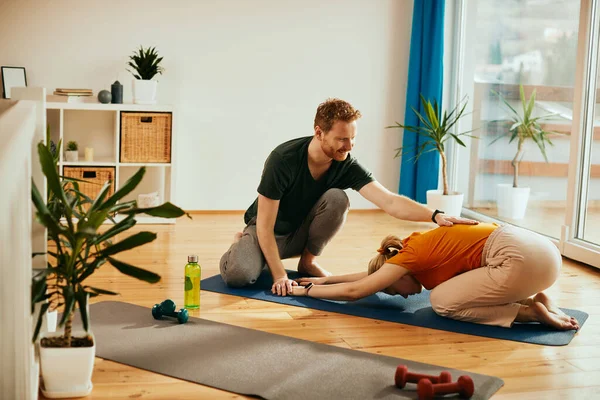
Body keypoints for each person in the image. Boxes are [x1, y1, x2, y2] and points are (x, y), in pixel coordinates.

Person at [219, 98, 477, 297]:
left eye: (353, 138)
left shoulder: (345, 163)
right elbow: (264, 226)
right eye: (342, 139)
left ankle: (308, 262)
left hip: (299, 234)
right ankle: (240, 243)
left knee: (337, 198)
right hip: (268, 230)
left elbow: (389, 201)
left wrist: (435, 215)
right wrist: (278, 276)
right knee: (239, 275)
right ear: (319, 132)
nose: (349, 146)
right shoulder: (283, 160)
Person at [292, 222, 580, 331]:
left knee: (442, 301)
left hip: (518, 259)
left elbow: (357, 291)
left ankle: (530, 313)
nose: (403, 295)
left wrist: (304, 293)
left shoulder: (408, 258)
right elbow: (367, 277)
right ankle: (536, 297)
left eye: (392, 290)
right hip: (541, 252)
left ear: (394, 270)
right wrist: (324, 280)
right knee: (465, 286)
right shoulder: (412, 245)